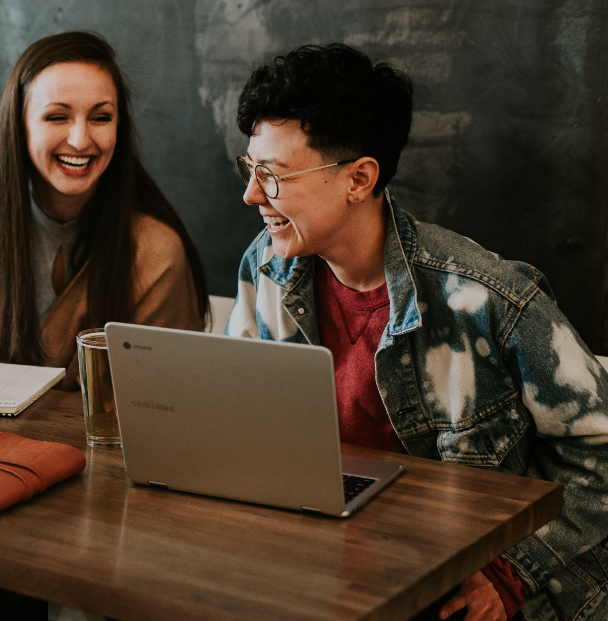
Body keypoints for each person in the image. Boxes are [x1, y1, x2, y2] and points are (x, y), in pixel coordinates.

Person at [225, 43, 608, 621]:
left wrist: (511, 574)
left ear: (359, 179)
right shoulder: (268, 265)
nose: (253, 194)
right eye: (249, 168)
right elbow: (244, 426)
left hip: (464, 585)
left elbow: (599, 452)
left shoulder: (486, 298)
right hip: (331, 569)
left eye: (273, 175)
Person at [0, 31, 208, 390]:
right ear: (20, 126)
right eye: (57, 117)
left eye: (101, 117)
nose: (80, 139)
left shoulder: (156, 252)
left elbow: (168, 405)